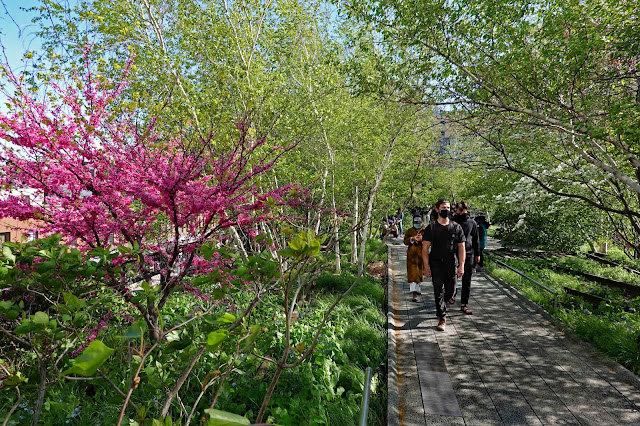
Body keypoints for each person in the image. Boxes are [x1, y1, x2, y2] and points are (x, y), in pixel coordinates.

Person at [422, 199, 465, 331]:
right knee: (438, 290)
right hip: (436, 264)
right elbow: (425, 249)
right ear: (437, 209)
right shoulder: (431, 228)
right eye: (443, 207)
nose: (446, 210)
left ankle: (445, 303)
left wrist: (461, 265)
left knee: (450, 292)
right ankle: (442, 316)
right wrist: (426, 267)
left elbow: (461, 247)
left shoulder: (456, 227)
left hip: (451, 263)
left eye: (447, 207)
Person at [452, 201, 480, 314]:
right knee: (451, 276)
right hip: (453, 252)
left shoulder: (472, 222)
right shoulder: (452, 221)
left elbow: (476, 239)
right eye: (457, 210)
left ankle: (464, 303)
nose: (459, 212)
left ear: (466, 210)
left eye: (461, 210)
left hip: (468, 253)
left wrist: (477, 254)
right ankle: (452, 294)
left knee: (466, 279)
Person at [404, 215, 425, 302]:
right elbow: (405, 241)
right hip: (411, 255)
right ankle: (414, 294)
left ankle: (418, 287)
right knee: (413, 274)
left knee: (420, 272)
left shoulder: (425, 231)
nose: (417, 225)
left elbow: (430, 241)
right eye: (416, 223)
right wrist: (412, 239)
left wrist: (422, 239)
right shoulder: (410, 231)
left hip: (421, 254)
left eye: (419, 223)